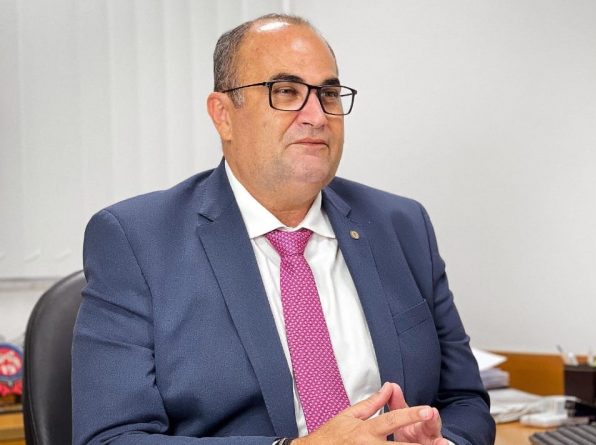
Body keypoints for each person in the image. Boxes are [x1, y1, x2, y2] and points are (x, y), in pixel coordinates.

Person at [72, 13, 494, 445]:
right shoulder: (136, 240)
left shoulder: (401, 225)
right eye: (286, 91)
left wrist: (443, 442)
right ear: (223, 115)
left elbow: (464, 400)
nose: (317, 116)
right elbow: (112, 438)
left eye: (328, 94)